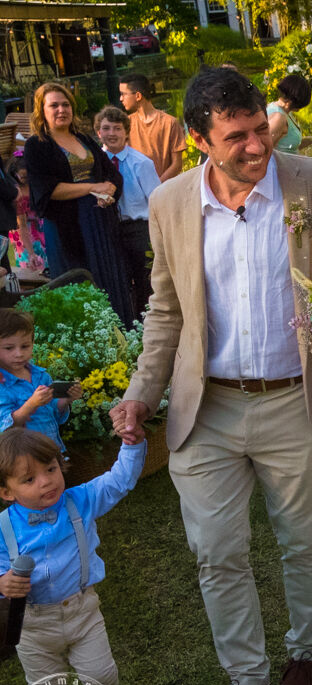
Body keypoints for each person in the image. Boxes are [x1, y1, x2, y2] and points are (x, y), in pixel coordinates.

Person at [111, 67, 312, 685]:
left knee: (304, 540)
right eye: (236, 136)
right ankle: (246, 680)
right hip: (204, 408)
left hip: (294, 400)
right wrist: (139, 393)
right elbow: (166, 309)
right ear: (199, 139)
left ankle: (308, 655)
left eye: (259, 129)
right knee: (216, 552)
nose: (255, 145)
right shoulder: (172, 202)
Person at [0, 428, 146, 685]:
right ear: (6, 491)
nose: (47, 482)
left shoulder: (79, 501)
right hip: (32, 624)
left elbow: (118, 481)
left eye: (51, 469)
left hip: (82, 610)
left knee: (101, 673)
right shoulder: (3, 529)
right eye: (30, 479)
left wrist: (133, 443)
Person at [24, 82, 134, 327]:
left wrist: (110, 190)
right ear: (42, 110)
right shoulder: (37, 146)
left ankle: (122, 337)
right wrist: (92, 188)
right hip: (68, 228)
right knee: (81, 283)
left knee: (110, 280)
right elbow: (47, 191)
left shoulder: (83, 139)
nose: (61, 109)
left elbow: (110, 173)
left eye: (65, 105)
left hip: (100, 224)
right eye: (54, 105)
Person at [94, 104, 161, 315]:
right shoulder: (93, 165)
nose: (111, 134)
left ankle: (145, 322)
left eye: (117, 128)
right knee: (115, 279)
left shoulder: (141, 163)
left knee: (144, 281)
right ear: (98, 132)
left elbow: (157, 201)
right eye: (106, 128)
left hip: (137, 229)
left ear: (126, 133)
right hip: (107, 229)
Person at [0, 309, 81, 451]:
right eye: (9, 348)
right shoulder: (3, 385)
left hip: (52, 448)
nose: (19, 354)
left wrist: (66, 399)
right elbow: (6, 429)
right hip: (23, 456)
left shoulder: (41, 375)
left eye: (25, 346)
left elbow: (53, 412)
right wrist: (31, 404)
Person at [118, 73, 186, 180]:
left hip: (164, 190)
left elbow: (177, 164)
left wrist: (156, 186)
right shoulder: (126, 124)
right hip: (136, 192)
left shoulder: (169, 123)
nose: (120, 99)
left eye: (123, 94)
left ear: (138, 96)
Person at [266, 74, 312, 155]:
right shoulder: (278, 118)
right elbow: (265, 151)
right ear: (294, 100)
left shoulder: (286, 112)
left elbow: (290, 146)